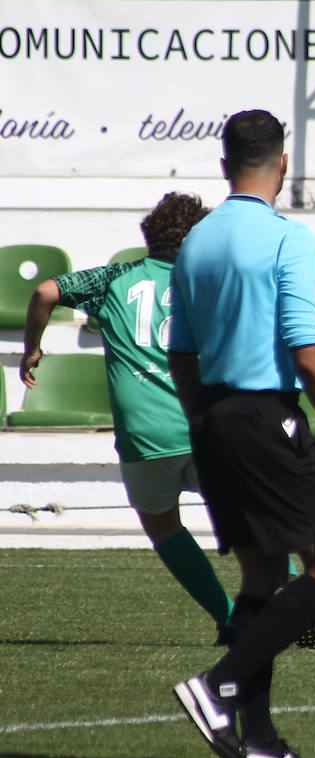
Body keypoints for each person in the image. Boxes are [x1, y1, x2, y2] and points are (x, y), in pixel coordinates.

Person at [167, 109, 315, 758]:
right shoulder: (289, 236)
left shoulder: (194, 241)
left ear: (225, 166)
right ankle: (218, 687)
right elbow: (307, 351)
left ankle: (263, 742)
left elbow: (182, 354)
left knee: (262, 576)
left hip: (212, 417)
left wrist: (205, 421)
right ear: (283, 163)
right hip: (266, 417)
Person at [20, 193, 234, 641]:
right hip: (207, 421)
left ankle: (228, 616)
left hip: (146, 431)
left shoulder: (115, 278)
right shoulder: (210, 281)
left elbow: (44, 291)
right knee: (247, 510)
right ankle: (287, 589)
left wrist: (32, 348)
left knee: (162, 523)